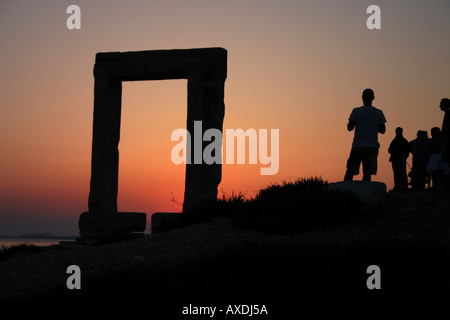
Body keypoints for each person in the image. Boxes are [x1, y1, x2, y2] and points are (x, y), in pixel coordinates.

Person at [344, 88, 387, 181]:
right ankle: (366, 194)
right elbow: (383, 130)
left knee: (350, 171)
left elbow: (349, 128)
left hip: (358, 146)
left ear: (362, 97)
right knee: (367, 173)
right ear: (373, 98)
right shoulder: (378, 112)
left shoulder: (356, 111)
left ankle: (344, 191)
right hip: (372, 146)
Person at [440, 98, 450, 166]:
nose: (440, 106)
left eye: (441, 104)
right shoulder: (447, 114)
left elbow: (446, 132)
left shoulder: (448, 115)